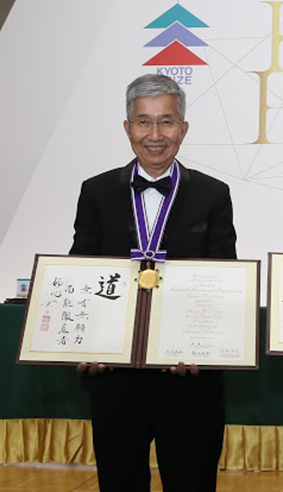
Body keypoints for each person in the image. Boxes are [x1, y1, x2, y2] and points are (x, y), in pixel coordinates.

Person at [70, 73, 237, 492]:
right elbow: (80, 271)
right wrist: (85, 343)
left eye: (166, 122)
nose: (155, 134)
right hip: (115, 377)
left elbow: (223, 278)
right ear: (128, 128)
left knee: (192, 481)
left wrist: (206, 346)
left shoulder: (213, 194)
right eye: (144, 122)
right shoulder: (96, 192)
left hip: (189, 377)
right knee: (119, 481)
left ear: (183, 128)